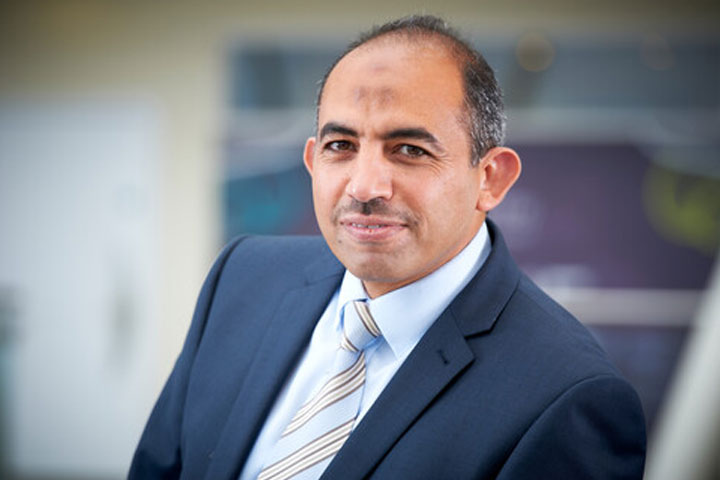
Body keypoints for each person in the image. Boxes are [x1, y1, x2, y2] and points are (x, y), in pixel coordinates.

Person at [130, 15, 646, 480]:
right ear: (312, 162)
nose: (364, 186)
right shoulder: (242, 279)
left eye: (409, 150)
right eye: (341, 146)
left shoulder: (567, 398)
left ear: (490, 178)